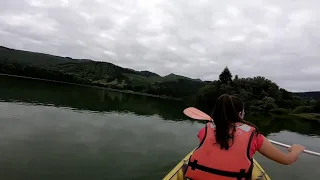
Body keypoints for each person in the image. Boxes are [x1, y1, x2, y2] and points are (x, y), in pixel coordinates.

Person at [184, 94, 305, 180]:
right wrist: (296, 149)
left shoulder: (205, 130)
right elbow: (287, 160)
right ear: (240, 114)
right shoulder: (254, 136)